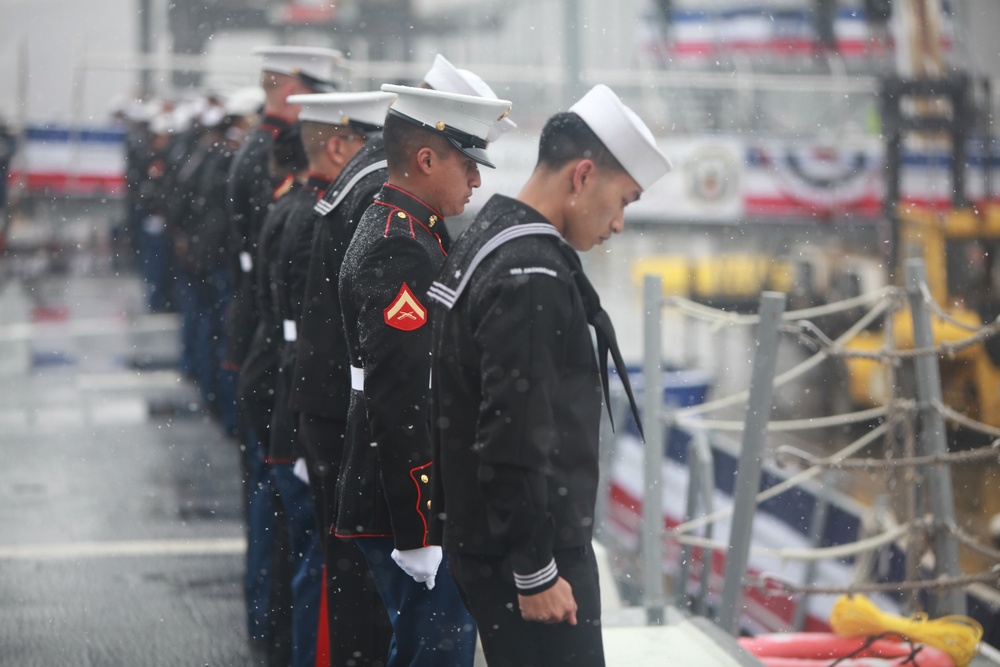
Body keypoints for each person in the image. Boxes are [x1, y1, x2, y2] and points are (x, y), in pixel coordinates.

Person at [427, 83, 671, 667]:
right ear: (583, 175)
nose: (618, 224)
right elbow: (509, 437)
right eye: (625, 200)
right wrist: (536, 572)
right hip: (531, 556)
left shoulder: (489, 237)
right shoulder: (531, 272)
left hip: (490, 541)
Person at [288, 55, 515, 666]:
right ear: (426, 159)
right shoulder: (400, 244)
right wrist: (421, 529)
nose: (476, 182)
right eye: (469, 165)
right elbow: (403, 394)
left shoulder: (405, 225)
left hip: (399, 494)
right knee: (432, 654)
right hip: (407, 507)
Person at [224, 44, 343, 666]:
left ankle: (270, 625)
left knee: (274, 520)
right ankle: (274, 636)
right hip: (279, 365)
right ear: (294, 86)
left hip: (265, 351)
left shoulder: (263, 158)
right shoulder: (288, 185)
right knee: (286, 529)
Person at [272, 90, 397, 667]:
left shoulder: (338, 193)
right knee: (347, 581)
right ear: (340, 142)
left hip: (318, 400)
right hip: (339, 410)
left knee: (336, 574)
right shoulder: (371, 194)